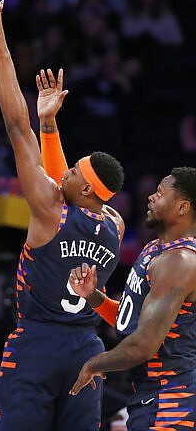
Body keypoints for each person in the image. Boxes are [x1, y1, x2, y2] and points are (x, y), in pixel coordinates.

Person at [0, 0, 125, 431]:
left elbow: (15, 127)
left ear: (84, 188)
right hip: (87, 347)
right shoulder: (114, 225)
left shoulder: (50, 210)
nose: (63, 170)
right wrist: (50, 126)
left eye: (72, 169)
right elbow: (64, 188)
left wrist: (2, 54)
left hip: (37, 342)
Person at [69, 167, 196, 430]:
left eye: (160, 193)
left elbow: (143, 345)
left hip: (173, 400)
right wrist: (93, 297)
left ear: (183, 207)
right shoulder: (154, 250)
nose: (151, 197)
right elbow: (131, 321)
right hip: (150, 394)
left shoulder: (180, 261)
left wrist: (94, 364)